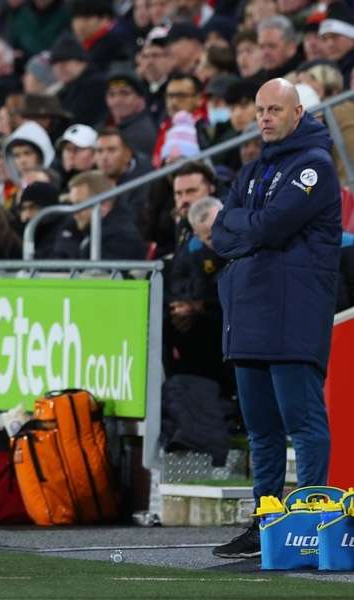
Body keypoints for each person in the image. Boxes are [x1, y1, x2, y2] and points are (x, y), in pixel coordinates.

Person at [211, 78, 341, 559]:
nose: (265, 117)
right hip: (249, 315)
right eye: (260, 110)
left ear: (298, 112)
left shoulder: (315, 168)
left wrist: (242, 223)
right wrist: (244, 226)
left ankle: (310, 520)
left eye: (275, 110)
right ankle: (266, 520)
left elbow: (264, 226)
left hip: (294, 315)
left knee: (302, 422)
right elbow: (220, 233)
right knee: (261, 429)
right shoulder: (250, 171)